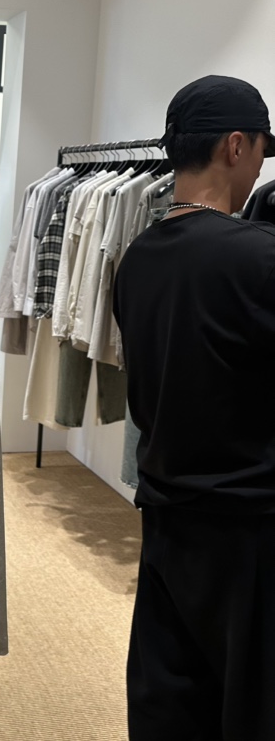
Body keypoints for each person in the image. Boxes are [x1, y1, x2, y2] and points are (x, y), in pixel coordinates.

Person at [114, 75, 275, 739]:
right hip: (251, 532)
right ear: (235, 146)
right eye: (261, 149)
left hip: (166, 521)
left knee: (172, 706)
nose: (261, 166)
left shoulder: (136, 259)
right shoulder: (259, 258)